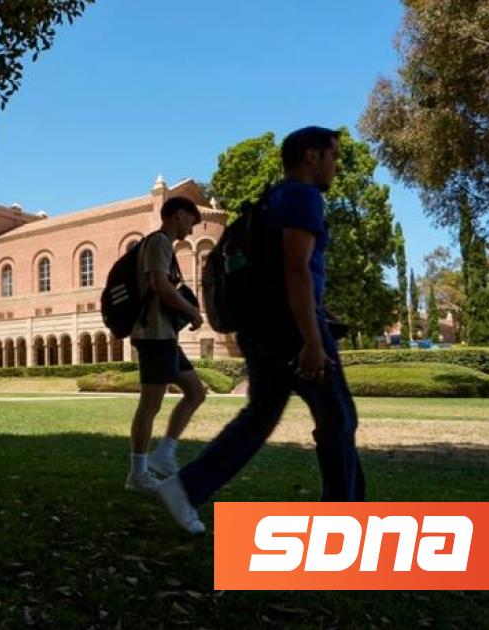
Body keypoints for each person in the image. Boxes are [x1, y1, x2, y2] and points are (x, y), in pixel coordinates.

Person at [155, 126, 364, 535]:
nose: (336, 166)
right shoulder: (303, 196)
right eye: (333, 156)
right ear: (311, 156)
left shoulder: (272, 199)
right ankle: (344, 522)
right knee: (338, 418)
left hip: (260, 327)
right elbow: (295, 270)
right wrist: (311, 338)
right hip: (292, 328)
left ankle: (185, 487)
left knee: (260, 416)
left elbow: (281, 270)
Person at [122, 196, 206, 492]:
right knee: (150, 404)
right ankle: (138, 474)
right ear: (179, 215)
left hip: (165, 335)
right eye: (191, 221)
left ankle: (164, 454)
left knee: (196, 392)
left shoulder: (163, 245)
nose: (192, 229)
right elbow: (159, 284)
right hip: (153, 335)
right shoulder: (159, 242)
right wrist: (191, 311)